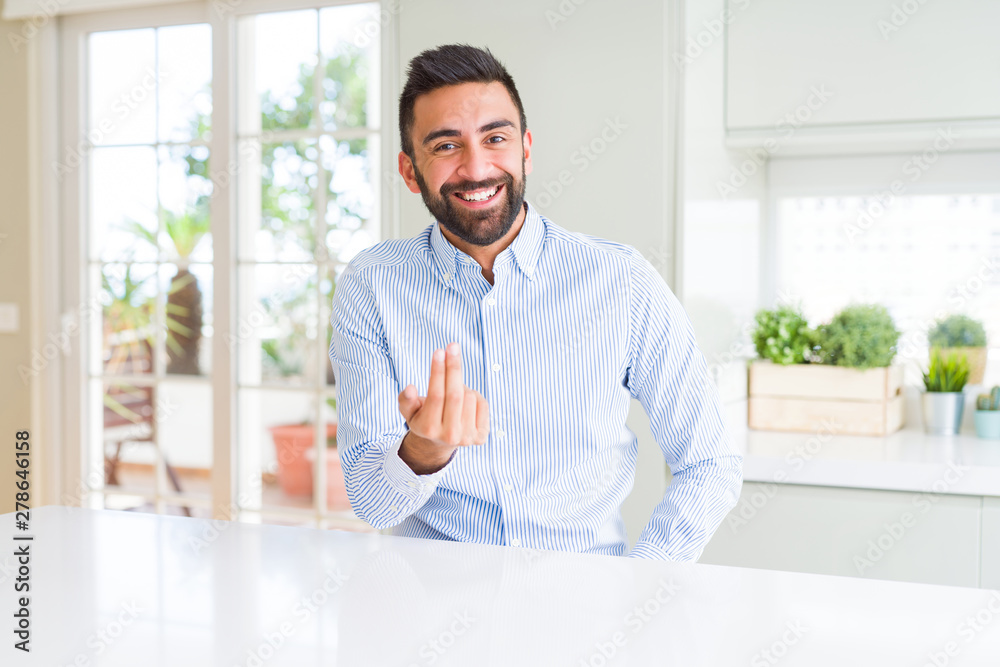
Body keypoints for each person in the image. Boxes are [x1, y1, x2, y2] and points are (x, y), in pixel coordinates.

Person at [329, 43, 742, 560]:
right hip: (434, 617)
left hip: (592, 612)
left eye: (495, 138)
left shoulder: (621, 282)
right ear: (410, 171)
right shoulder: (372, 286)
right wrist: (424, 452)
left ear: (525, 147)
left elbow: (710, 462)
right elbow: (371, 505)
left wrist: (641, 582)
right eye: (445, 146)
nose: (476, 168)